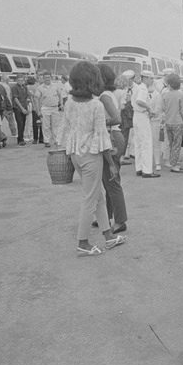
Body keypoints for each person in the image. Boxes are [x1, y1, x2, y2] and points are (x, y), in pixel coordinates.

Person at [55, 61, 123, 255]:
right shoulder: (96, 105)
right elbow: (102, 137)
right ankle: (82, 243)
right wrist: (111, 164)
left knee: (96, 195)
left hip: (76, 153)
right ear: (94, 80)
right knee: (89, 199)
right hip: (91, 156)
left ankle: (108, 236)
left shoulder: (70, 103)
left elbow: (65, 129)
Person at [97, 63, 128, 234]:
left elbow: (116, 118)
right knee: (109, 180)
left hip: (112, 138)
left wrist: (100, 123)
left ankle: (120, 220)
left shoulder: (104, 96)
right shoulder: (110, 93)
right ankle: (107, 216)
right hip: (116, 137)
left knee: (112, 181)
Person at [132, 70, 159, 178]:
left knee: (138, 143)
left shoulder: (138, 87)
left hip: (136, 115)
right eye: (151, 78)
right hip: (142, 116)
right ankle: (147, 170)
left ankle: (139, 168)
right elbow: (140, 101)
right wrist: (149, 109)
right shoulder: (143, 88)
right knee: (146, 143)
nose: (152, 80)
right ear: (145, 78)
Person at [160, 73, 183, 173]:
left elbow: (162, 108)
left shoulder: (165, 95)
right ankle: (174, 165)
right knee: (177, 144)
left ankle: (172, 161)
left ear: (170, 85)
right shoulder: (180, 96)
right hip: (178, 122)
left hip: (168, 122)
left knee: (171, 143)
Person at [35, 71, 65, 147]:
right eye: (46, 77)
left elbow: (60, 95)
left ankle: (56, 140)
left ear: (51, 77)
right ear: (43, 78)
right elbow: (37, 99)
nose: (47, 79)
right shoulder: (40, 88)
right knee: (46, 126)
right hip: (45, 108)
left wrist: (61, 104)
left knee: (56, 125)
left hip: (55, 107)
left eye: (48, 77)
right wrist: (38, 110)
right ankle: (46, 141)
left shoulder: (55, 86)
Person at [146, 72, 164, 172]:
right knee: (146, 142)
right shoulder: (142, 92)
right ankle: (147, 162)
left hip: (155, 121)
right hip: (145, 120)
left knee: (156, 142)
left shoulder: (157, 94)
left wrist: (152, 113)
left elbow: (158, 107)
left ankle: (157, 163)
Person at [11, 74, 32, 146]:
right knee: (20, 123)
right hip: (17, 108)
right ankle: (20, 139)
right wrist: (22, 108)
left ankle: (20, 137)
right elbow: (15, 99)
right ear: (16, 80)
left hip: (24, 106)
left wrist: (27, 107)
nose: (20, 81)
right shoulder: (14, 88)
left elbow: (27, 98)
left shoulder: (25, 88)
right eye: (19, 80)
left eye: (22, 80)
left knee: (23, 124)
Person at [27, 75, 43, 144]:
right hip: (36, 108)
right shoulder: (34, 88)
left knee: (43, 124)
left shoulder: (45, 88)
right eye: (40, 78)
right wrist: (35, 108)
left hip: (43, 108)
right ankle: (35, 138)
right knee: (35, 124)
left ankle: (42, 138)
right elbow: (32, 98)